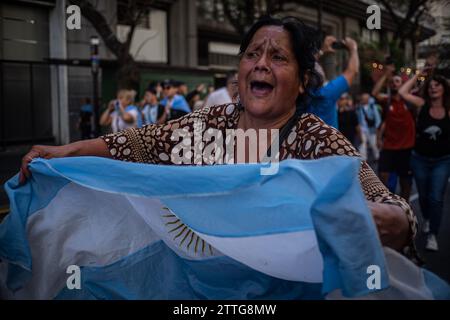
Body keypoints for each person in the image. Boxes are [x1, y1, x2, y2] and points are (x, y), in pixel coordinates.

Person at [20, 16, 417, 256]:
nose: (261, 64)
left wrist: (394, 219)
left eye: (278, 57)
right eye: (251, 54)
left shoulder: (316, 138)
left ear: (301, 82)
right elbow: (138, 143)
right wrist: (66, 152)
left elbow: (377, 194)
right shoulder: (211, 123)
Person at [399, 70, 450, 251]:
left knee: (436, 198)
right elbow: (402, 92)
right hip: (419, 159)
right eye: (430, 86)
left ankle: (433, 234)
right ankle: (427, 218)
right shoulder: (421, 105)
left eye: (437, 85)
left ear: (444, 89)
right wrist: (419, 75)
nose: (433, 88)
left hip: (442, 161)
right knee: (423, 196)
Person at [372, 64, 416, 201]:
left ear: (403, 84)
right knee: (382, 182)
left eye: (397, 81)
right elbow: (374, 93)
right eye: (392, 82)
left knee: (406, 185)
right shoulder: (388, 100)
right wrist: (386, 75)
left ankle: (405, 211)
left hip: (407, 149)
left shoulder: (411, 101)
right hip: (389, 147)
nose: (394, 83)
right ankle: (387, 208)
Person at [307, 35, 360, 128]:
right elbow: (352, 71)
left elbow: (306, 65)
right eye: (319, 67)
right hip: (328, 142)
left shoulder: (301, 94)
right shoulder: (326, 94)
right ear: (320, 77)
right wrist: (353, 48)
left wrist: (322, 50)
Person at [356, 93, 381, 161]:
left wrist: (377, 128)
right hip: (363, 129)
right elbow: (358, 118)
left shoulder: (373, 107)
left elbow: (377, 118)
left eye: (365, 98)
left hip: (371, 129)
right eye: (363, 98)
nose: (364, 100)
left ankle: (377, 157)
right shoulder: (359, 107)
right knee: (363, 144)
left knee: (373, 144)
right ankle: (364, 159)